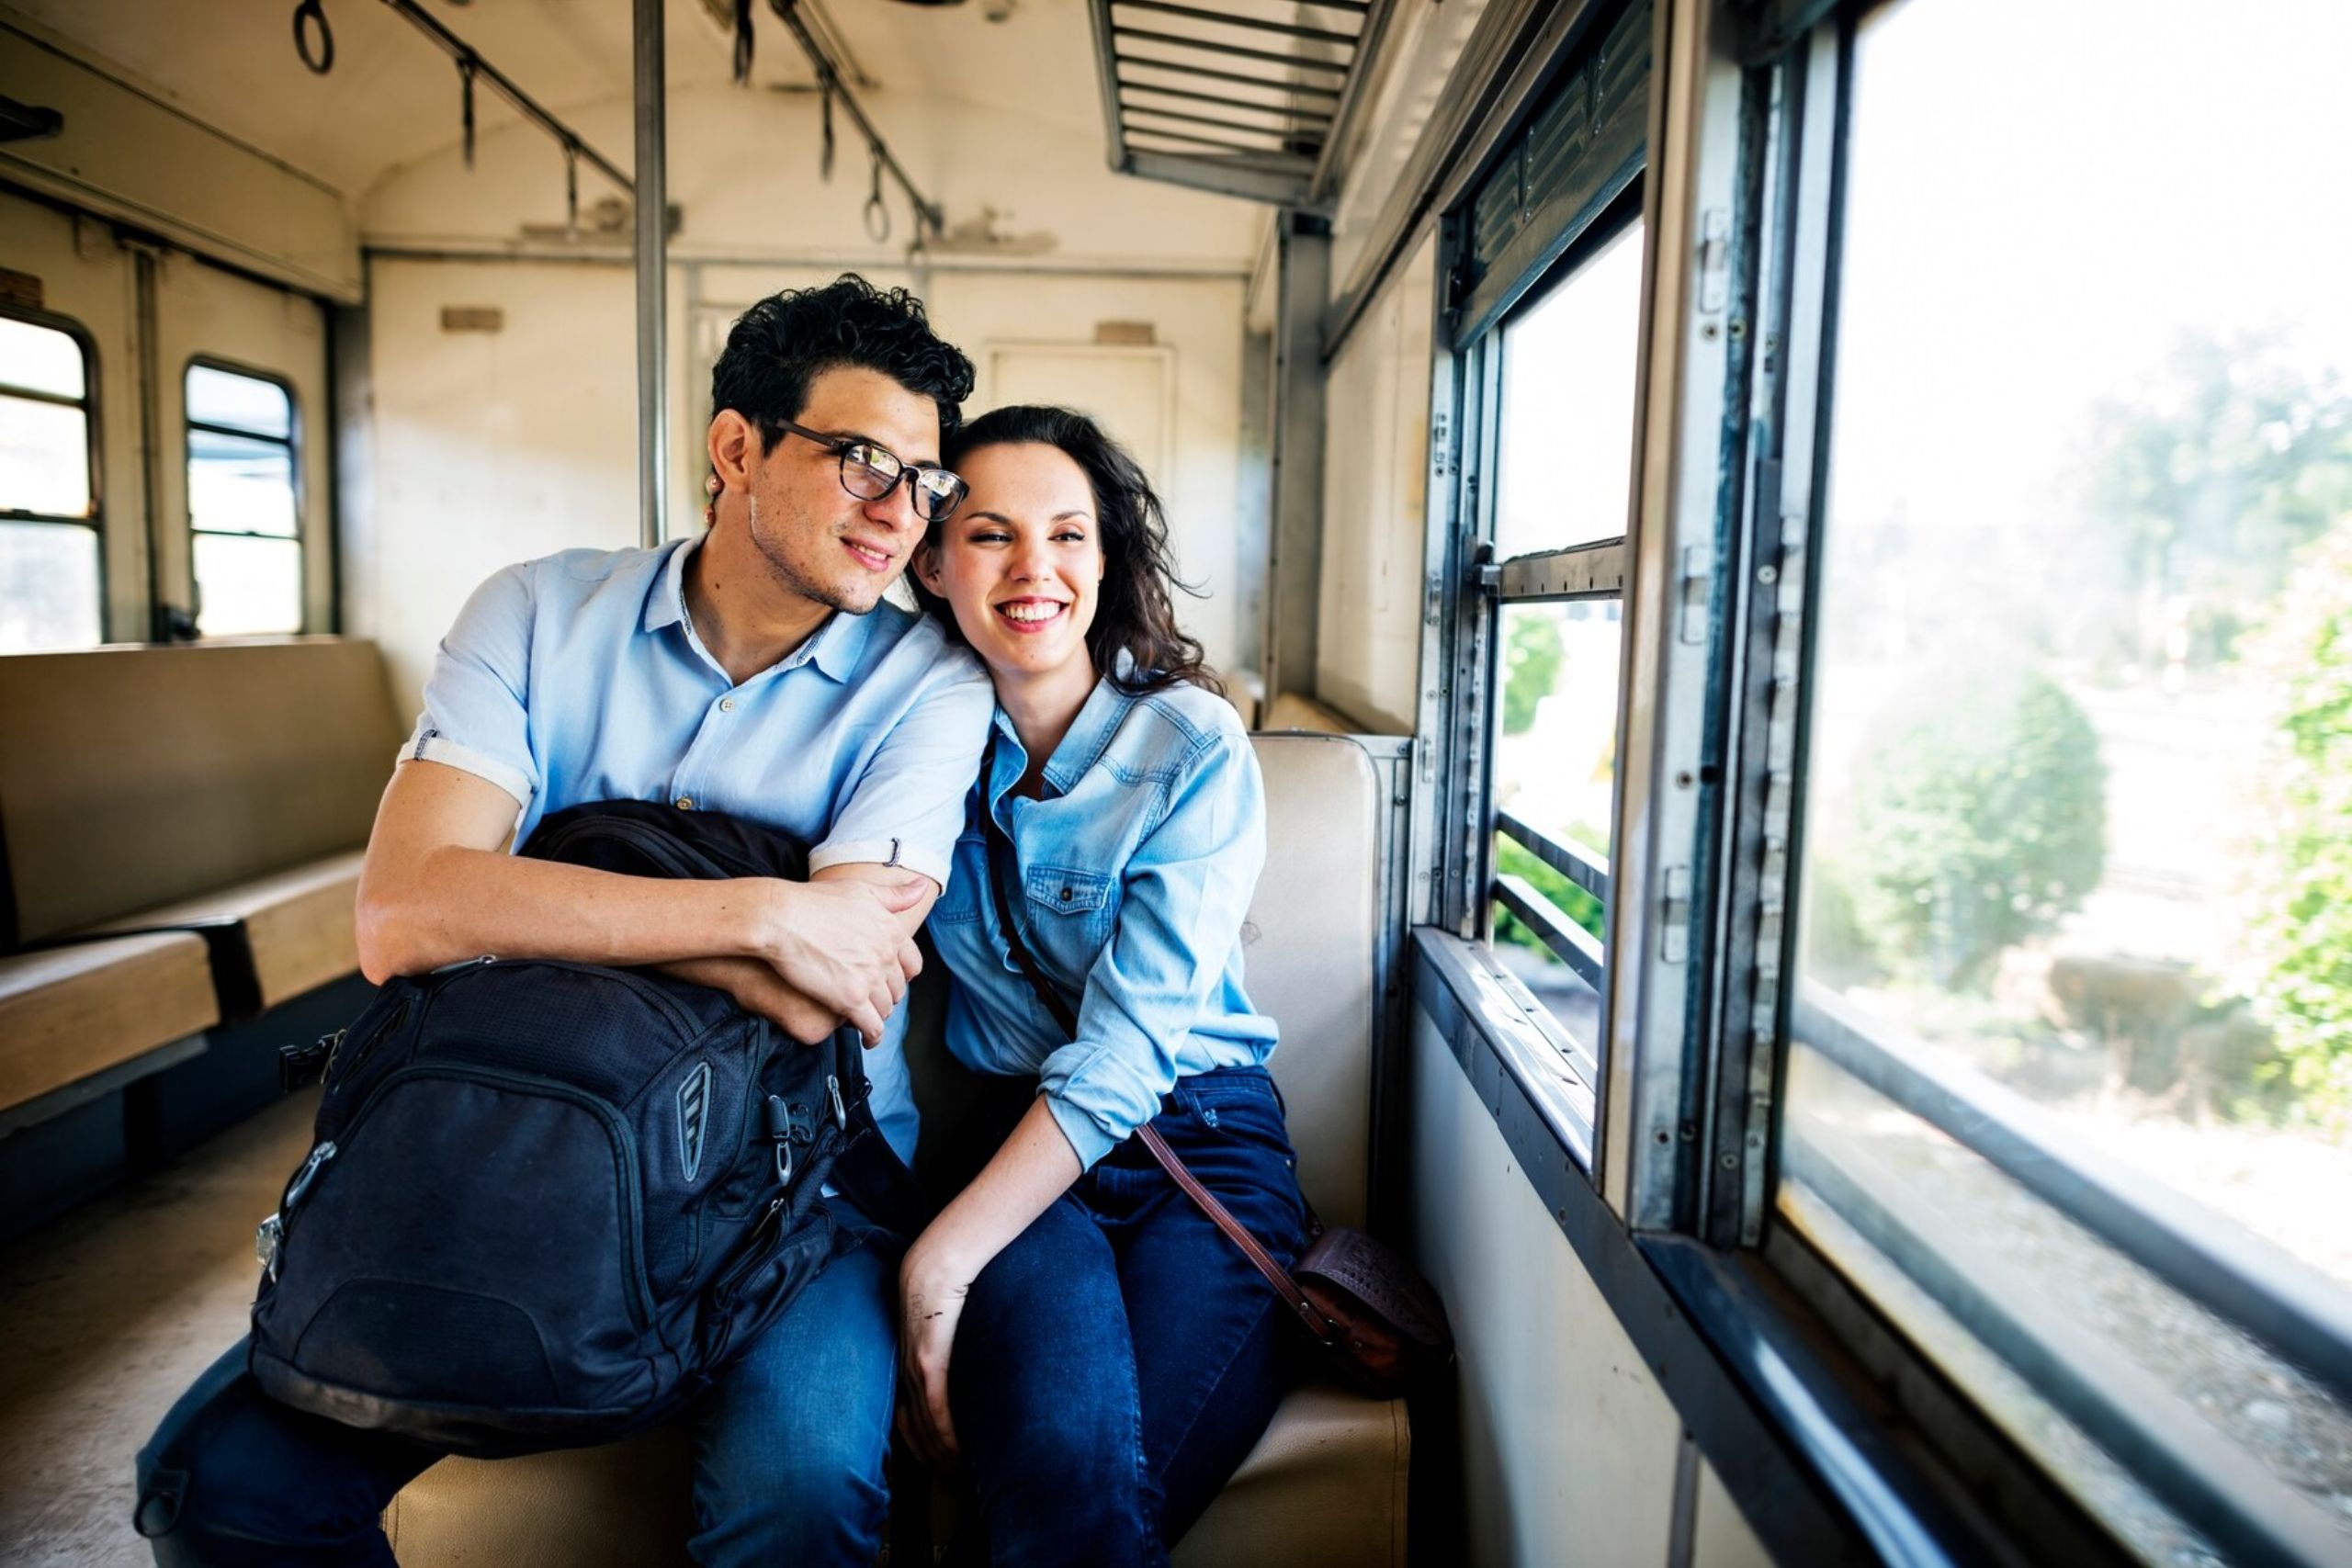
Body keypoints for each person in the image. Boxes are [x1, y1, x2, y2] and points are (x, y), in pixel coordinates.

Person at [132, 275, 994, 1568]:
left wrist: (523, 899)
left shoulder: (928, 681)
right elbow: (407, 909)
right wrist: (764, 910)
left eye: (923, 482)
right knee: (219, 1482)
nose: (897, 513)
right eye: (863, 458)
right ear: (737, 447)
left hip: (799, 1186)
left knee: (802, 1484)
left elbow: (830, 988)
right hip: (517, 1143)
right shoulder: (535, 613)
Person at [900, 405, 1308, 1566]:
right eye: (989, 535)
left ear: (1106, 556)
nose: (1036, 569)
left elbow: (1133, 1051)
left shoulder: (1190, 745)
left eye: (1069, 534)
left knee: (1063, 1521)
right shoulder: (899, 741)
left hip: (1203, 1141)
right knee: (1067, 1469)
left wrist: (940, 1258)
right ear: (930, 559)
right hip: (1008, 1148)